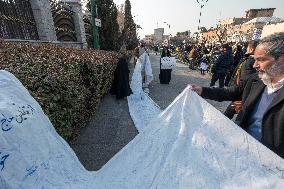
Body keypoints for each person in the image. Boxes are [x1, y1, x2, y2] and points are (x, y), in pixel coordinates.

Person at [190, 32, 284, 158]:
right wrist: (202, 90)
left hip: (271, 164)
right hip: (242, 150)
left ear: (282, 59)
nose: (255, 65)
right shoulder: (256, 79)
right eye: (255, 59)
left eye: (261, 60)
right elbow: (232, 92)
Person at [224, 40, 259, 119]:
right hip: (243, 93)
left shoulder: (250, 61)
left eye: (247, 47)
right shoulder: (250, 60)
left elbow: (246, 80)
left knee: (230, 114)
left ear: (251, 49)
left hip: (241, 94)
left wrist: (239, 94)